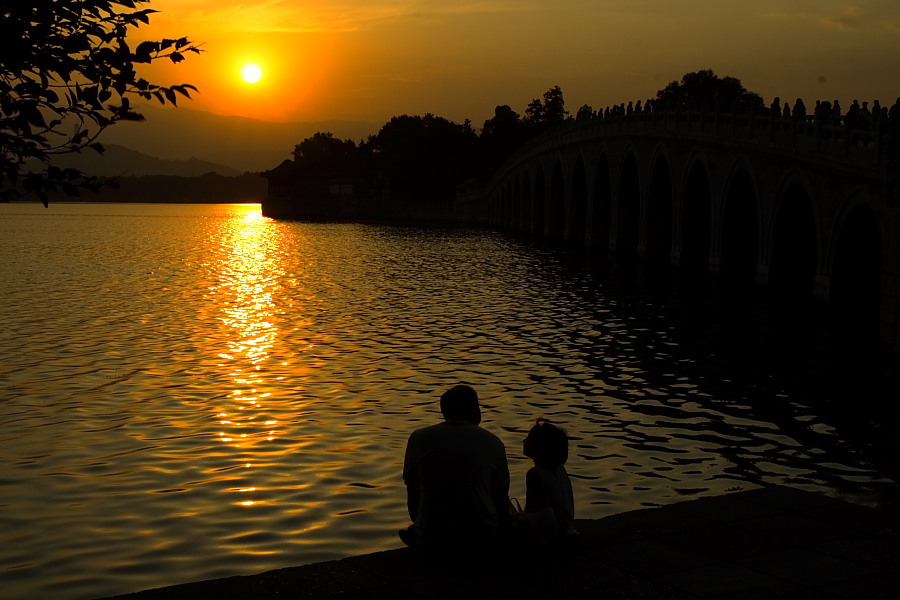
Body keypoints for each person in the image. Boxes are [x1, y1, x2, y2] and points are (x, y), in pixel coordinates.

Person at [401, 384, 510, 550]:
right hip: (481, 536)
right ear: (474, 409)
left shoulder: (418, 438)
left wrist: (420, 524)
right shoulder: (493, 441)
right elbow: (500, 498)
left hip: (431, 536)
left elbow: (413, 492)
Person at [521, 419, 576, 542]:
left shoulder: (535, 474)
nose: (524, 441)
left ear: (539, 447)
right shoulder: (560, 470)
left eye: (528, 439)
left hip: (552, 536)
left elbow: (532, 510)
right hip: (566, 529)